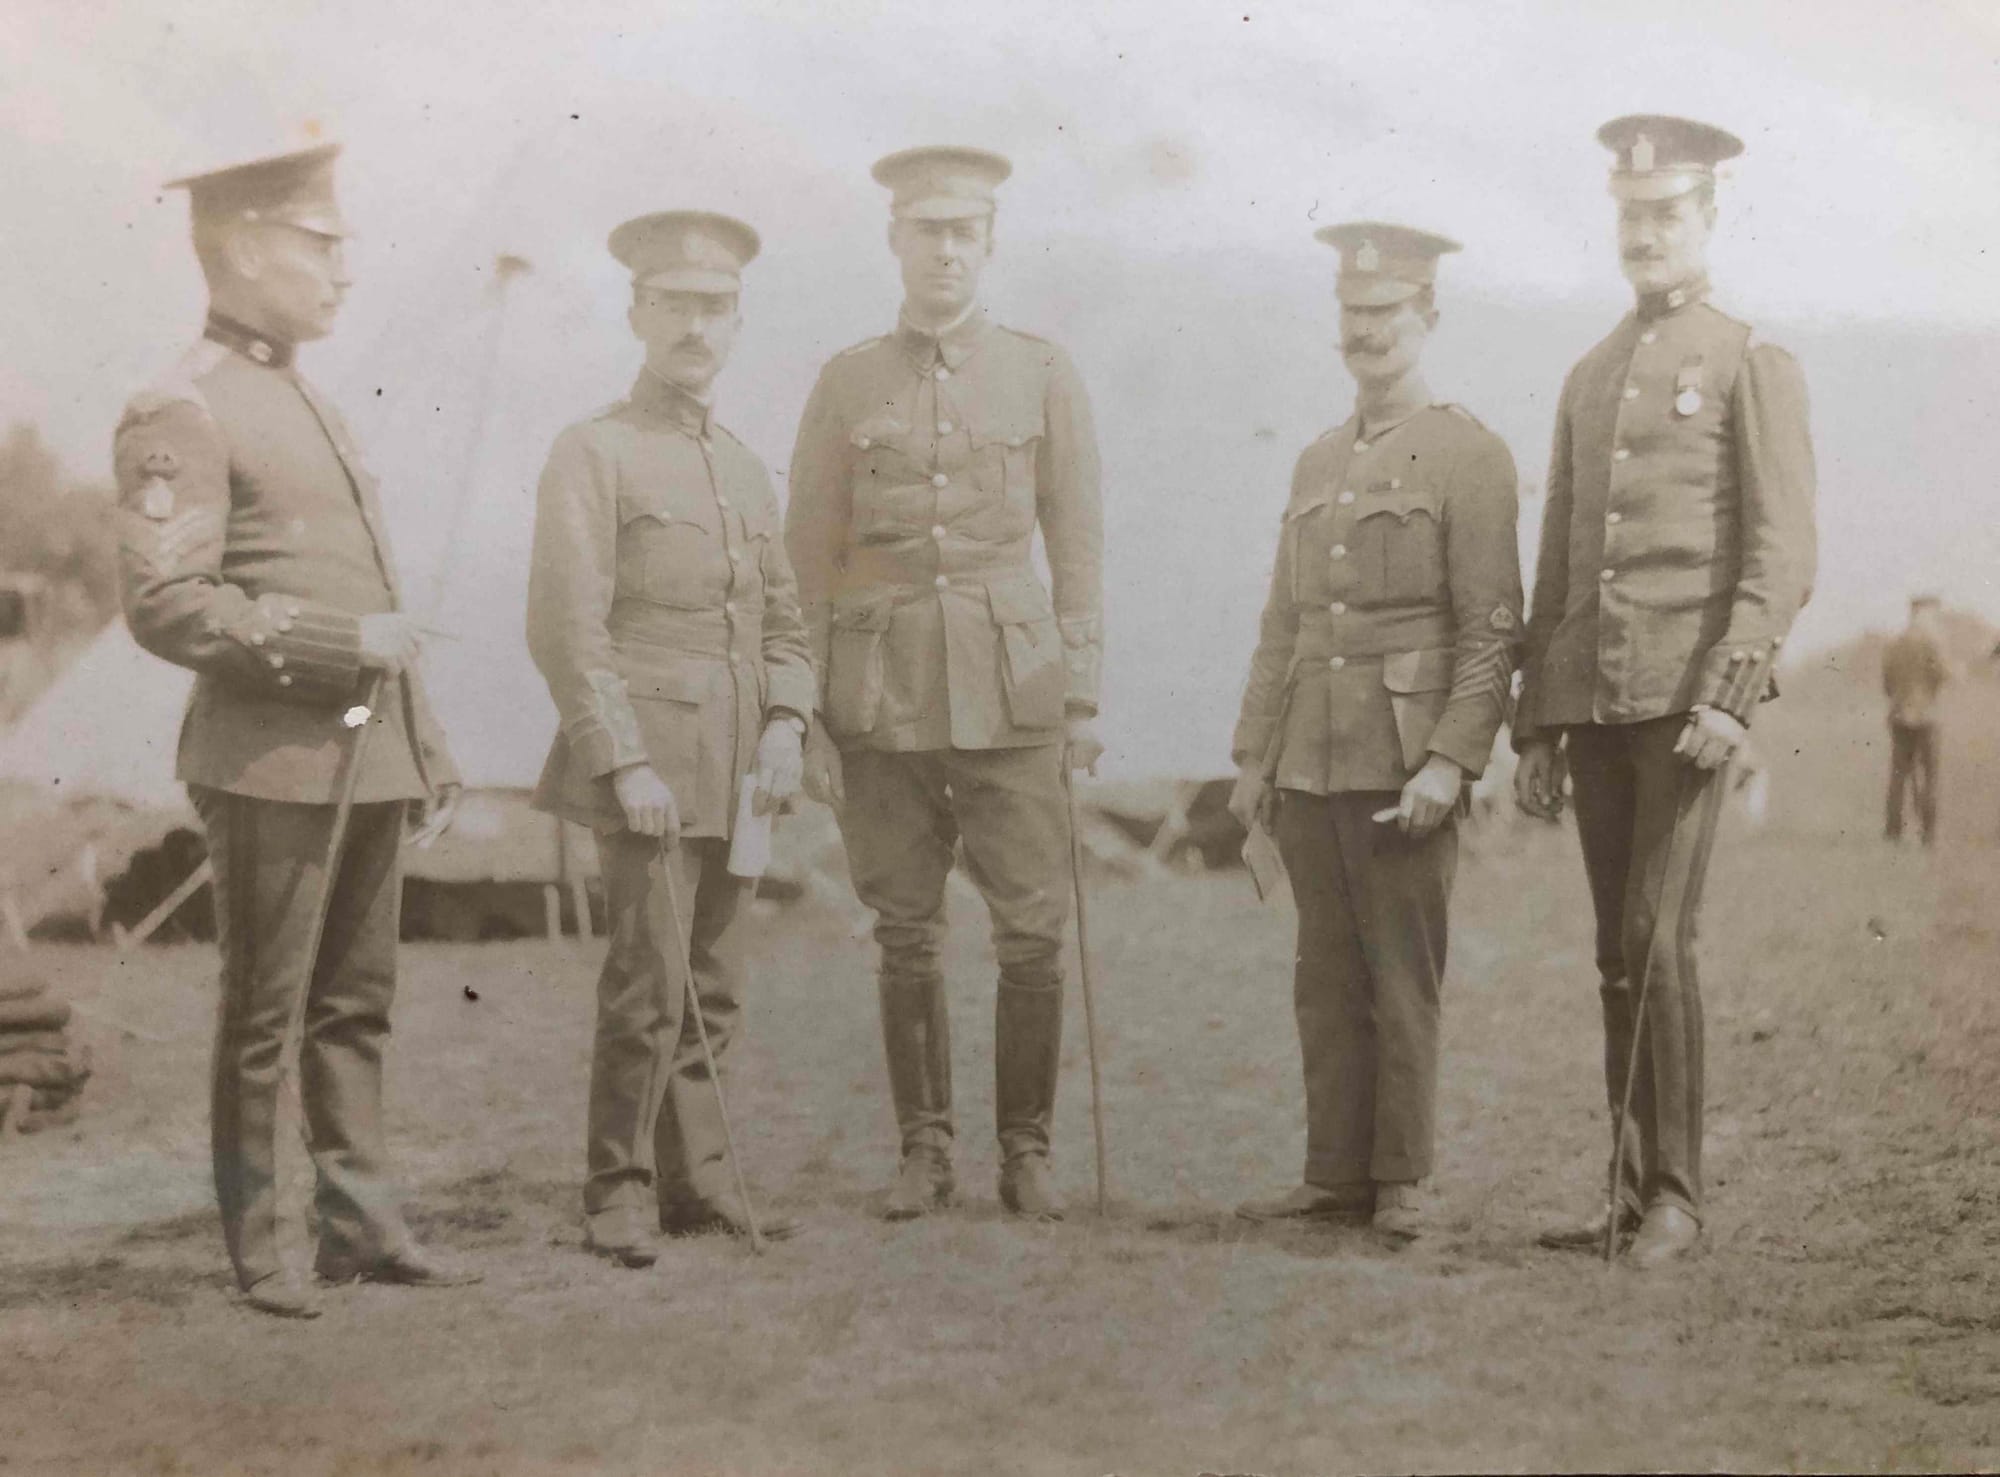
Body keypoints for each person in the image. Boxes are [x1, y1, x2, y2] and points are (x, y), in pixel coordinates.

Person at [116, 141, 476, 1318]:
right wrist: (335, 647)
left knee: (355, 1004)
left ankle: (359, 1230)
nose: (345, 273)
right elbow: (166, 602)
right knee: (263, 1012)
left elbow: (370, 599)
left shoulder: (306, 398)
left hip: (361, 754)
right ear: (245, 248)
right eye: (324, 246)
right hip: (266, 763)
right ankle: (259, 1249)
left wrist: (423, 744)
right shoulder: (184, 404)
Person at [1514, 116, 1817, 1268]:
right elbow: (1557, 562)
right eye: (1629, 215)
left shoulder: (1749, 359)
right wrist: (1538, 721)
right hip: (1593, 703)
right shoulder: (1589, 374)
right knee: (1612, 948)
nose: (1644, 233)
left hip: (1688, 708)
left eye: (1666, 214)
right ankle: (1629, 1193)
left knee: (1654, 935)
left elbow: (1778, 551)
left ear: (1707, 217)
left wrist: (1731, 692)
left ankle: (1678, 1197)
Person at [784, 147, 1104, 1221]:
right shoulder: (845, 381)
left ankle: (1027, 1150)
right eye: (926, 230)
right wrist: (805, 709)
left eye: (964, 230)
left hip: (1014, 688)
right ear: (894, 242)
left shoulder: (1042, 372)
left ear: (990, 242)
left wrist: (1084, 695)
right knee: (906, 928)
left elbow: (1078, 540)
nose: (945, 249)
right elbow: (804, 556)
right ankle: (923, 1150)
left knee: (1031, 929)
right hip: (878, 693)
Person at [526, 211, 816, 1267]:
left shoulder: (742, 467)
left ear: (736, 322)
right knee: (647, 981)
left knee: (718, 981)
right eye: (676, 303)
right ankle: (615, 1190)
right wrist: (624, 757)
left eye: (716, 306)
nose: (696, 325)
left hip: (743, 765)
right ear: (638, 313)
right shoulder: (593, 450)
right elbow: (565, 625)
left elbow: (786, 617)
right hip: (650, 762)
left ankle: (699, 1181)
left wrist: (787, 720)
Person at [1226, 223, 1522, 1242]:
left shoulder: (1467, 453)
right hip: (1309, 754)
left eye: (1385, 314)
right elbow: (1284, 624)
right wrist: (1250, 757)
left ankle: (1399, 1179)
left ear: (1425, 317)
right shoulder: (1314, 459)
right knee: (1323, 977)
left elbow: (1490, 627)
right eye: (1351, 316)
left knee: (1399, 975)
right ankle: (1332, 1176)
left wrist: (1450, 758)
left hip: (1403, 764)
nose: (1366, 332)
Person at [1882, 594, 1949, 846]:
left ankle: (1893, 831)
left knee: (1898, 775)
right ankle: (1928, 833)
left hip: (1899, 714)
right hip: (1927, 716)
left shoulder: (1896, 642)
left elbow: (1886, 682)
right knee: (1930, 775)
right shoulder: (1933, 642)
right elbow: (1942, 674)